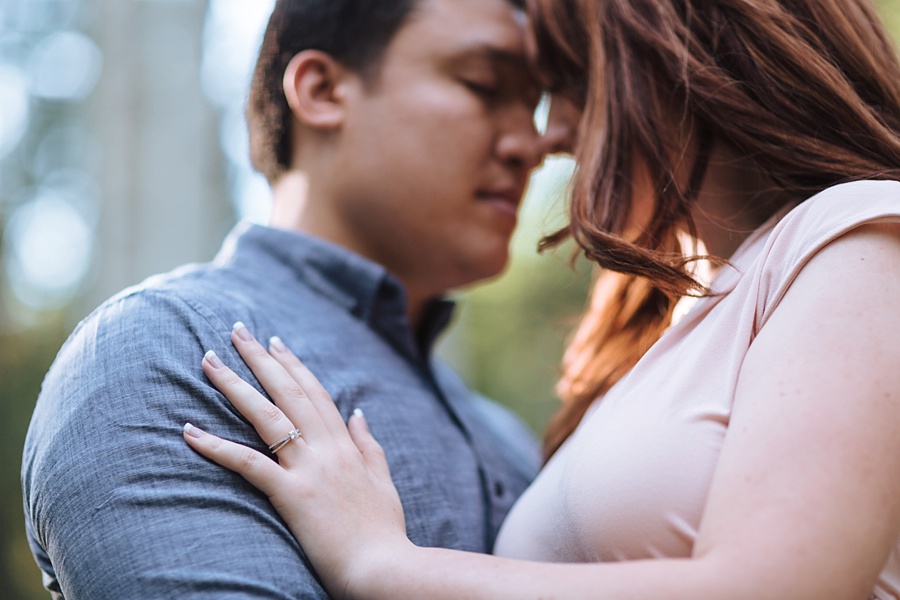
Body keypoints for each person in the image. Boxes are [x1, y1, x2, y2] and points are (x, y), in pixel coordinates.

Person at [182, 0, 900, 598]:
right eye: (487, 87)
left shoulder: (859, 233)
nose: (546, 137)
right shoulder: (679, 323)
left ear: (674, 59)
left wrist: (383, 565)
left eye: (572, 82)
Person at [21, 0, 545, 597]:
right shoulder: (168, 350)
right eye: (483, 85)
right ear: (322, 91)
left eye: (535, 104)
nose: (532, 145)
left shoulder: (508, 438)